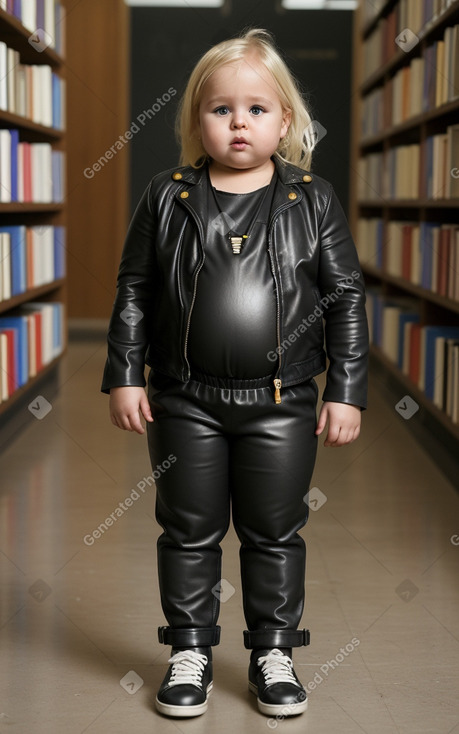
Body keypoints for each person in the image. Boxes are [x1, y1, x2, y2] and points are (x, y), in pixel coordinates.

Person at [101, 27, 369, 720]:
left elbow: (344, 297)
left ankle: (272, 651)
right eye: (220, 109)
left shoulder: (311, 199)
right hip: (184, 399)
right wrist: (125, 372)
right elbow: (135, 288)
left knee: (273, 531)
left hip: (281, 402)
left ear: (286, 120)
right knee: (186, 528)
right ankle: (188, 647)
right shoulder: (167, 196)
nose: (238, 122)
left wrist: (345, 389)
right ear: (196, 120)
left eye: (256, 108)